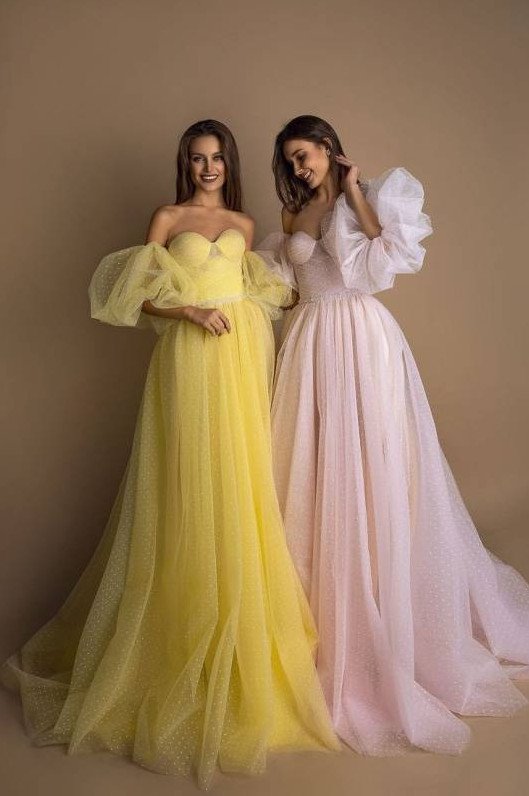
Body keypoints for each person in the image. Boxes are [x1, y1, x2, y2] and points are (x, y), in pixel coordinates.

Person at [2, 119, 339, 789]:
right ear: (185, 164)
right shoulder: (167, 217)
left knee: (239, 483)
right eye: (197, 158)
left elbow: (261, 293)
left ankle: (234, 643)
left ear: (228, 164)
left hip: (239, 358)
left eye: (217, 158)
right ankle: (174, 637)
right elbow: (136, 296)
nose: (207, 167)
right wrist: (188, 313)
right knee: (186, 483)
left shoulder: (244, 224)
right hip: (188, 356)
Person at [259, 114, 529, 756]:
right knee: (313, 467)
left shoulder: (364, 200)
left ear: (328, 149)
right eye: (291, 159)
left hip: (360, 336)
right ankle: (323, 612)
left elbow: (385, 256)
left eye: (306, 155)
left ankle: (382, 604)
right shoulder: (291, 216)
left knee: (373, 463)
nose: (299, 167)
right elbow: (289, 290)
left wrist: (353, 190)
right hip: (309, 341)